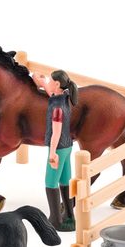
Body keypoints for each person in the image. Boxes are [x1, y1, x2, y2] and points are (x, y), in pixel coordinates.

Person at [32, 70, 78, 232]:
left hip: (58, 148)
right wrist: (43, 82)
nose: (49, 82)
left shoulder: (57, 108)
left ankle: (55, 219)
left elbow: (56, 133)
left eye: (51, 80)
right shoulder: (65, 96)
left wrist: (52, 153)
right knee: (65, 181)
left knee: (50, 183)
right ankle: (70, 216)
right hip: (68, 146)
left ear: (57, 84)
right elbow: (51, 93)